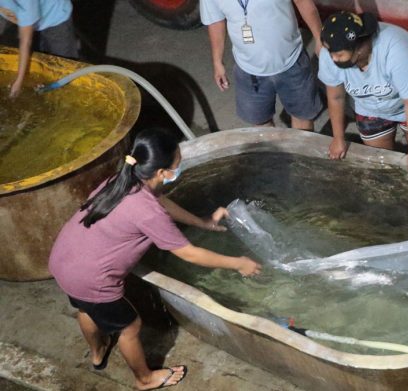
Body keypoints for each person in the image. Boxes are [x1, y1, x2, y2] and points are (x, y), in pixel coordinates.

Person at [48, 128, 262, 390]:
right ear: (162, 173)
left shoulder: (122, 179)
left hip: (63, 260)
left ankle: (97, 353)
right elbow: (188, 253)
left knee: (86, 308)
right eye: (177, 165)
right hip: (91, 278)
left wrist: (203, 223)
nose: (178, 169)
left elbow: (163, 203)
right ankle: (144, 379)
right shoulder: (147, 211)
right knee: (130, 326)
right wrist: (239, 263)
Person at [318, 11, 408, 181]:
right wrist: (338, 138)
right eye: (331, 52)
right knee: (380, 156)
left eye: (339, 54)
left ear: (359, 47)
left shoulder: (397, 51)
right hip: (369, 106)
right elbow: (336, 97)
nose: (333, 58)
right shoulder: (329, 54)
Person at [200, 0, 323, 130]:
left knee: (302, 118)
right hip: (248, 70)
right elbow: (215, 21)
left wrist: (319, 37)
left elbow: (303, 2)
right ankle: (272, 149)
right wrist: (217, 61)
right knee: (261, 125)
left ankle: (300, 150)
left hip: (292, 61)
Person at [0, 0, 80, 98]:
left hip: (54, 16)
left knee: (64, 71)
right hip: (22, 13)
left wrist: (18, 82)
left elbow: (25, 42)